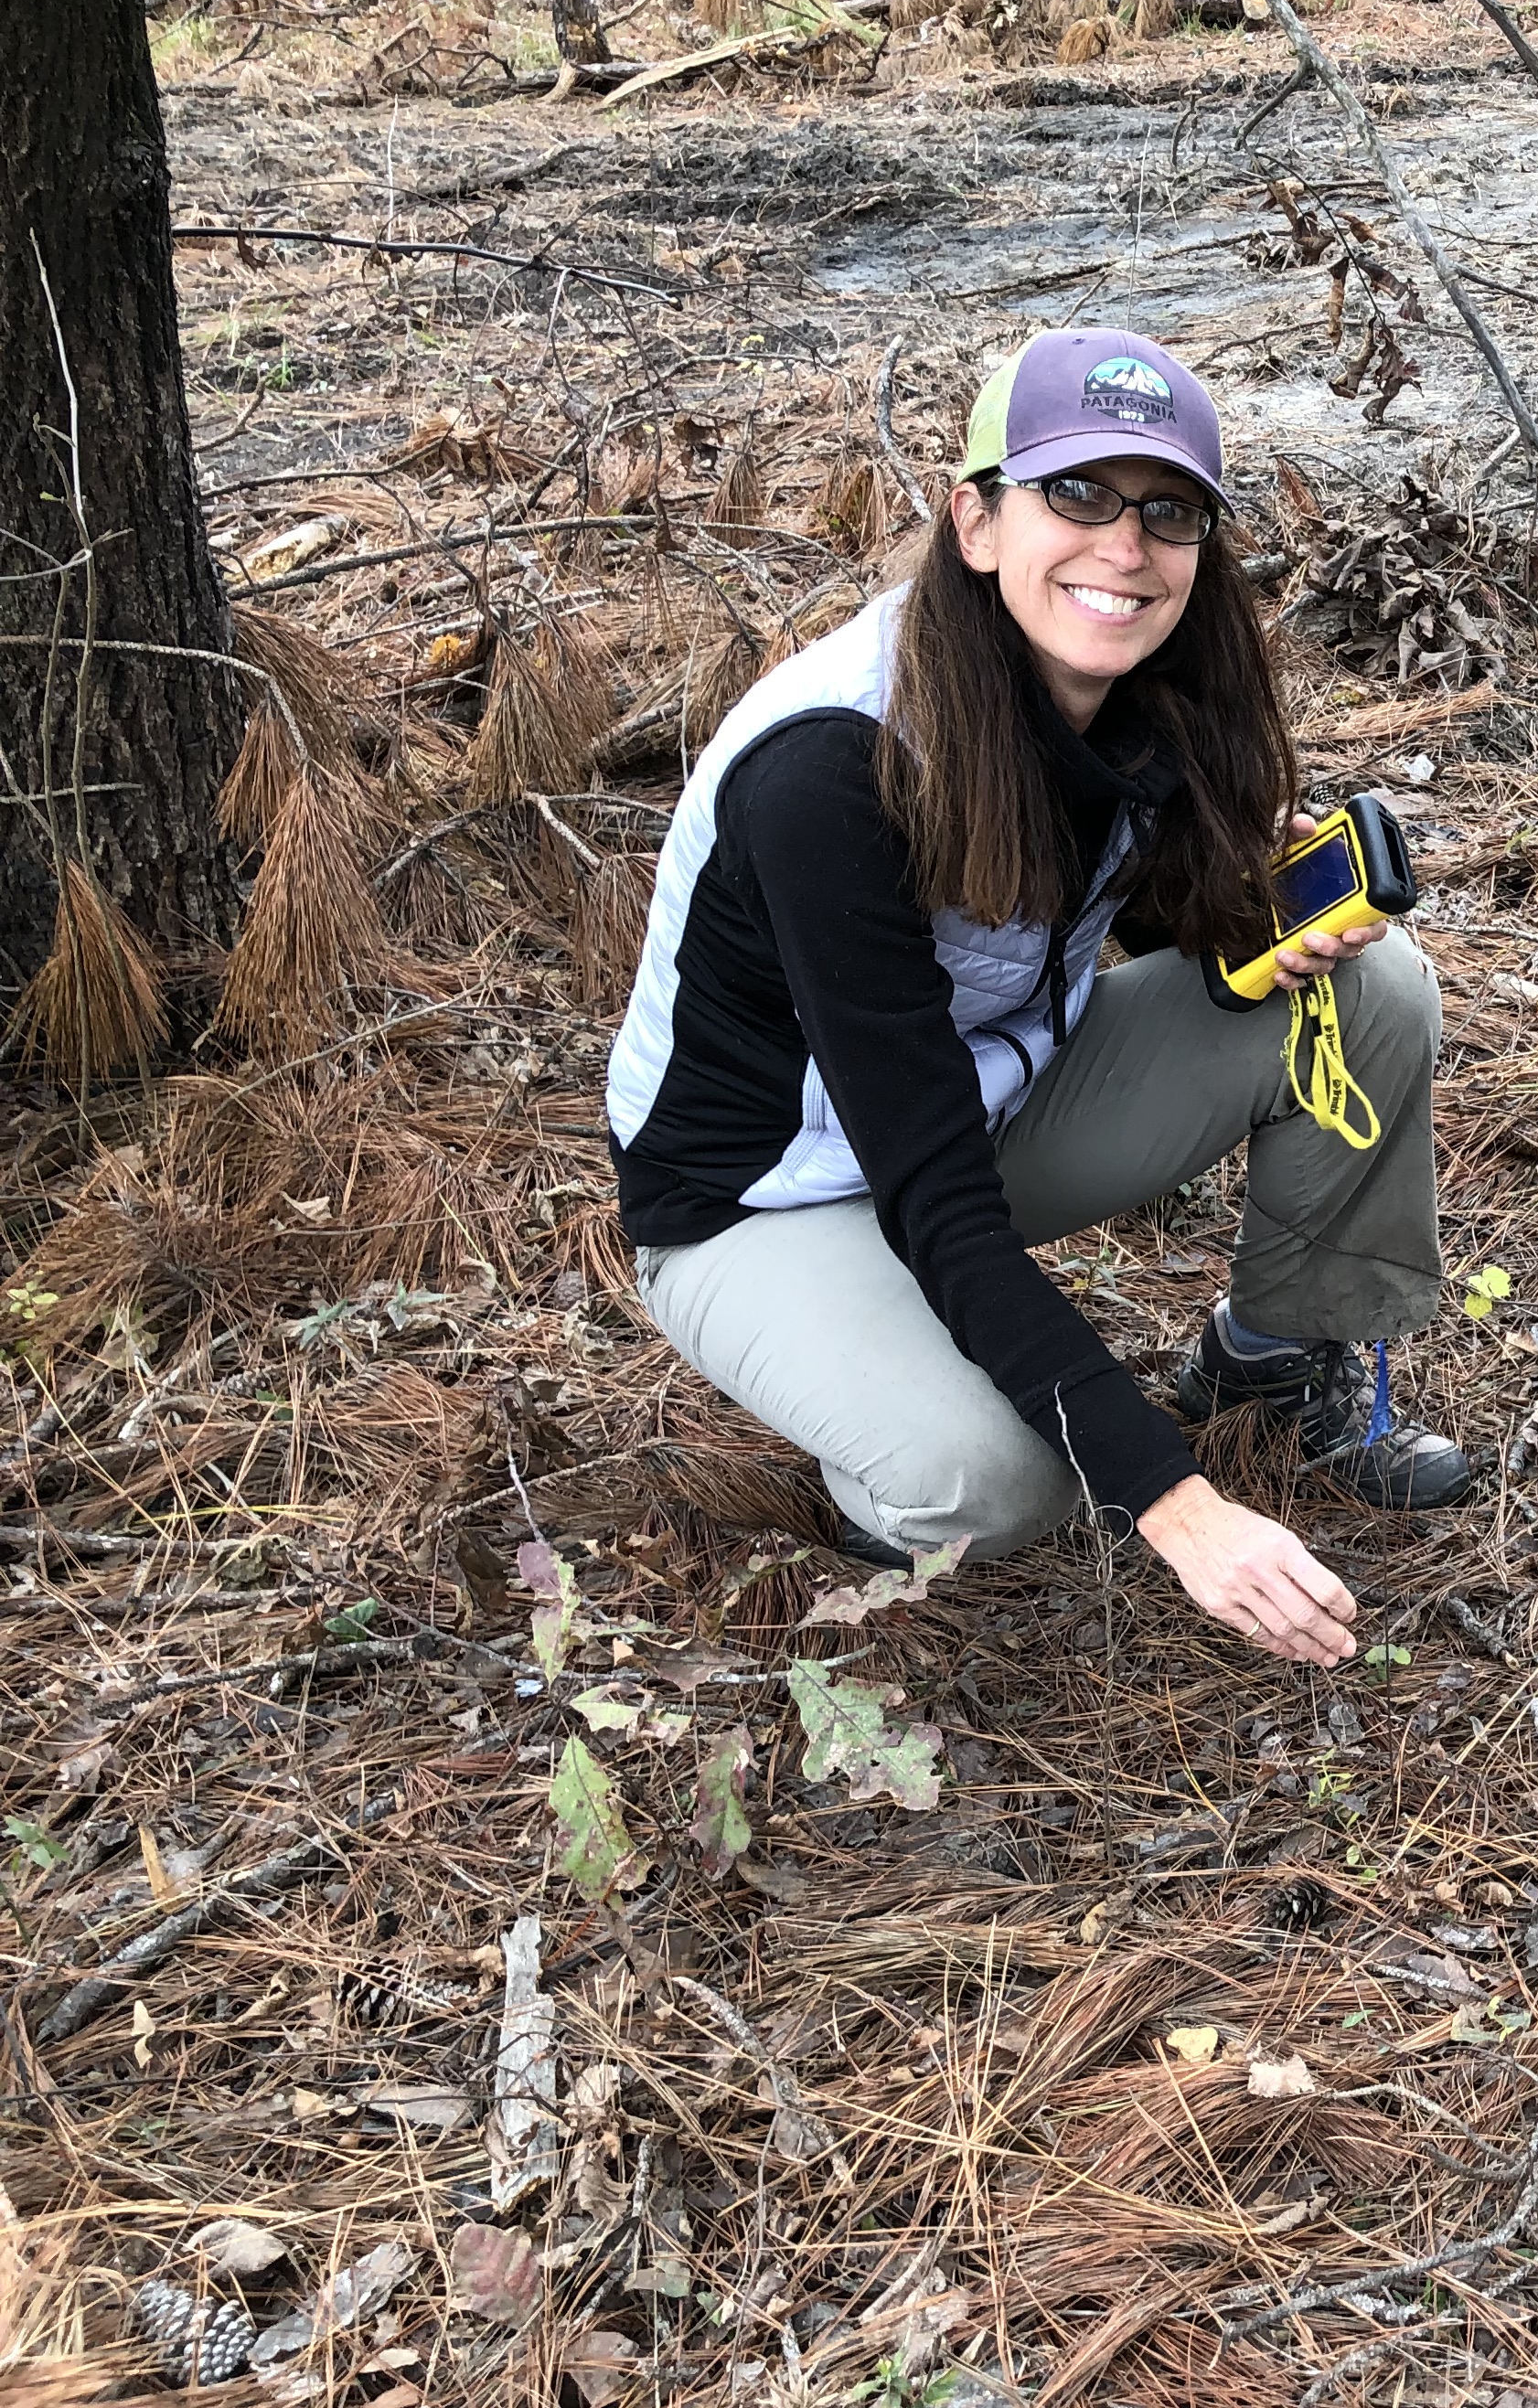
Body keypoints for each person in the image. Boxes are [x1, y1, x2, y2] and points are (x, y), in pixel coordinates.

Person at [606, 327, 1472, 1667]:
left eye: (1167, 510)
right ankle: (875, 1423)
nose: (1123, 548)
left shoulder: (1134, 688)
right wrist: (1177, 1506)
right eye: (1076, 494)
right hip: (764, 1197)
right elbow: (932, 1193)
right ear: (975, 519)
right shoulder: (831, 769)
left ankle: (1272, 1360)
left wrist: (1247, 919)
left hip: (983, 1105)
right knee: (997, 1487)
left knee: (1372, 994)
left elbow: (1134, 905)